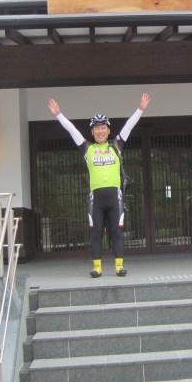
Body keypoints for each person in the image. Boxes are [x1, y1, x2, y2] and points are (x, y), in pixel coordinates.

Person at [48, 93, 151, 278]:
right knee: (96, 233)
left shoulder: (116, 145)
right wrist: (58, 115)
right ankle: (97, 267)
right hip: (96, 199)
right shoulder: (87, 148)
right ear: (92, 132)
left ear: (108, 131)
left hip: (115, 198)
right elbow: (72, 130)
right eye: (97, 128)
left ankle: (119, 267)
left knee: (117, 232)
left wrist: (140, 110)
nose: (100, 131)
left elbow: (129, 126)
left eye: (103, 128)